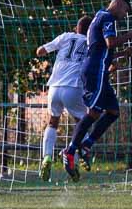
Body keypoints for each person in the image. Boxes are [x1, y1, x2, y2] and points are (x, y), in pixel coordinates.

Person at [61, 0, 132, 182]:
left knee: (113, 111)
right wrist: (128, 36)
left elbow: (102, 49)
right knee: (93, 113)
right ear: (118, 5)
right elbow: (110, 43)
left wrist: (122, 53)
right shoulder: (107, 17)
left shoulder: (99, 16)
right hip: (95, 72)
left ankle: (87, 144)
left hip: (98, 71)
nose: (124, 15)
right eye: (125, 10)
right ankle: (70, 151)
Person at [35, 16, 91, 181]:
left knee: (53, 121)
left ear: (76, 28)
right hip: (73, 87)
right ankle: (78, 157)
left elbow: (40, 51)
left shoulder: (66, 36)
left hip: (54, 87)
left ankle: (47, 157)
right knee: (82, 123)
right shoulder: (91, 42)